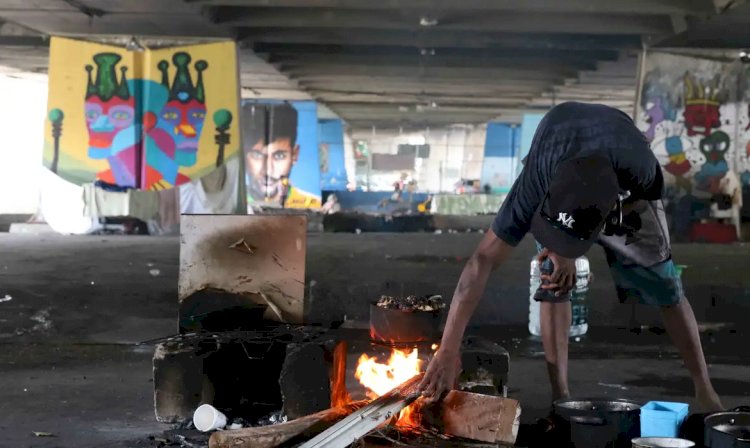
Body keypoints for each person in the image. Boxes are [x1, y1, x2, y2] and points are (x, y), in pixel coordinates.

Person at [419, 102, 723, 413]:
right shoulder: (534, 186)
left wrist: (576, 244)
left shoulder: (640, 168)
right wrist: (447, 348)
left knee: (665, 284)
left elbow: (641, 201)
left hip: (626, 198)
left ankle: (705, 389)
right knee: (552, 274)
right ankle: (561, 396)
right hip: (562, 157)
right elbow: (481, 260)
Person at [242, 103, 321, 208]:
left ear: (294, 155)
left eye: (279, 156)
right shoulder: (230, 205)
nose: (268, 170)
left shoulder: (311, 205)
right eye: (257, 155)